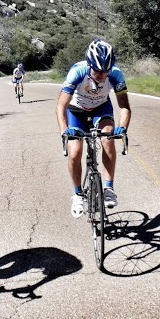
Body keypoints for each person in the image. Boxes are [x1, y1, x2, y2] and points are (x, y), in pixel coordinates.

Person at [56, 39, 131, 218]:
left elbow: (125, 107)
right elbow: (61, 106)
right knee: (75, 152)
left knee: (108, 140)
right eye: (98, 71)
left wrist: (122, 128)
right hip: (76, 111)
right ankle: (77, 194)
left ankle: (109, 189)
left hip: (101, 109)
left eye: (106, 71)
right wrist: (64, 130)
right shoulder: (77, 72)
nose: (102, 75)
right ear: (89, 65)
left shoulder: (116, 74)